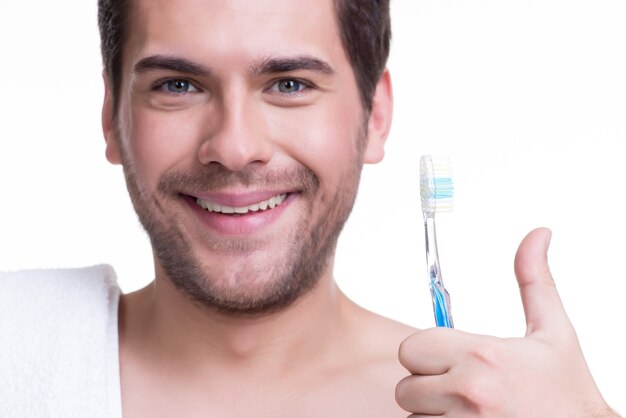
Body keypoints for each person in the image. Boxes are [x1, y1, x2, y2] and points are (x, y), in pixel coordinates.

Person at [0, 0, 620, 416]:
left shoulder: (489, 405)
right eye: (178, 85)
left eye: (289, 84)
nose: (235, 147)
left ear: (375, 116)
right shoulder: (16, 346)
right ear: (112, 119)